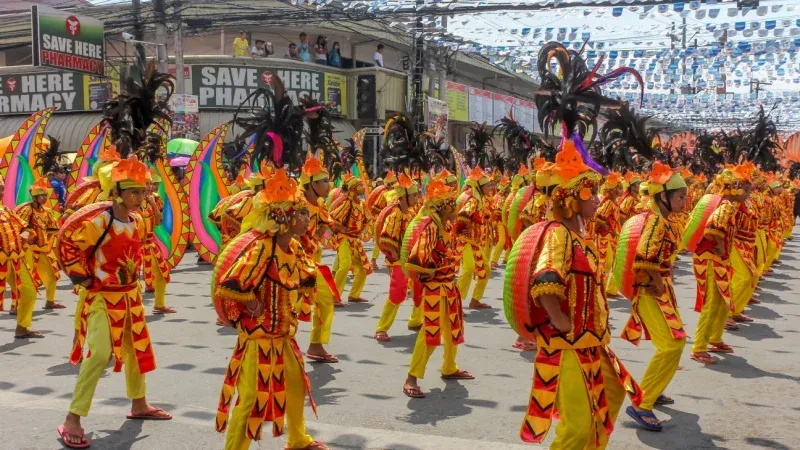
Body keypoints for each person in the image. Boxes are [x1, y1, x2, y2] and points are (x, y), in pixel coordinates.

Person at [510, 140, 642, 447]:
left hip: (589, 343)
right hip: (566, 345)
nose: (596, 200)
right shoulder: (558, 234)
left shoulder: (575, 235)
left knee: (612, 394)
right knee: (578, 427)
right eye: (590, 193)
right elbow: (545, 280)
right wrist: (559, 319)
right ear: (569, 198)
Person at [58, 156, 172, 449]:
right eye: (132, 192)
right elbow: (67, 243)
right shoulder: (100, 220)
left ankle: (139, 403)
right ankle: (73, 418)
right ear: (116, 192)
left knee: (137, 350)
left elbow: (143, 241)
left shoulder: (137, 220)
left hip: (130, 296)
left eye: (141, 191)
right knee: (98, 355)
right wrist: (81, 279)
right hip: (102, 299)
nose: (138, 197)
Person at [213, 169, 329, 450]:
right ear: (282, 217)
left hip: (284, 334)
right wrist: (251, 301)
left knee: (296, 385)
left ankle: (298, 439)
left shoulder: (295, 247)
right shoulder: (262, 249)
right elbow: (230, 285)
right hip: (259, 336)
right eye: (300, 213)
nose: (305, 218)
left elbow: (306, 277)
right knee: (252, 399)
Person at [615, 162, 688, 431]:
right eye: (680, 197)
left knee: (672, 343)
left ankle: (652, 393)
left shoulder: (662, 219)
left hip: (660, 289)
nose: (683, 202)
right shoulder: (656, 221)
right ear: (663, 197)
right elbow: (644, 259)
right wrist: (657, 281)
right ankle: (641, 403)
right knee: (672, 345)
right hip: (651, 292)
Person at [402, 178, 471, 398]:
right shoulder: (430, 228)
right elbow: (416, 260)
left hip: (450, 286)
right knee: (430, 334)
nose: (455, 207)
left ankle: (449, 367)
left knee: (453, 329)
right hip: (436, 289)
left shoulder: (446, 226)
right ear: (442, 209)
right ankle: (411, 377)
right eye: (451, 204)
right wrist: (432, 271)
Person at [689, 164, 753, 364]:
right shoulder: (726, 206)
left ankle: (715, 338)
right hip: (710, 259)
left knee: (724, 299)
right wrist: (720, 247)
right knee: (712, 301)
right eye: (747, 190)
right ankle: (699, 347)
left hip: (719, 259)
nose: (748, 194)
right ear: (735, 188)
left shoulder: (731, 206)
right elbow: (712, 228)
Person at [297, 156, 341, 364]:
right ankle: (279, 349)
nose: (328, 185)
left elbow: (324, 224)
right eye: (324, 181)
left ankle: (316, 344)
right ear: (312, 184)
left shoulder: (320, 204)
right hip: (293, 262)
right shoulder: (296, 204)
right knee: (287, 307)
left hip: (313, 261)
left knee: (325, 301)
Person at [374, 174, 422, 342]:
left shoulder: (409, 212)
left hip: (409, 259)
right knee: (397, 293)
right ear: (403, 197)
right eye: (414, 195)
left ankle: (415, 321)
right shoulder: (395, 214)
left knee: (419, 288)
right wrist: (397, 256)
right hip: (398, 261)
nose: (417, 198)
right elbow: (385, 239)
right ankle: (382, 327)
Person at [0, 178, 40, 337]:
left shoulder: (7, 211)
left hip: (17, 259)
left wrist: (25, 236)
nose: (1, 193)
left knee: (29, 292)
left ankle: (22, 327)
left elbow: (25, 227)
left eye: (2, 189)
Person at [16, 177, 63, 310]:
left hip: (43, 249)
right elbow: (20, 226)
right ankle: (16, 305)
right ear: (35, 197)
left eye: (45, 195)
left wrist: (46, 240)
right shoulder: (27, 210)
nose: (44, 198)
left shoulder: (47, 211)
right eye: (41, 195)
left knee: (53, 275)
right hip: (28, 250)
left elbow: (53, 228)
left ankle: (50, 301)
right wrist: (30, 234)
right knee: (26, 280)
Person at [455, 167, 494, 309]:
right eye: (487, 185)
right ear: (479, 187)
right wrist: (468, 230)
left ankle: (475, 299)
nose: (490, 187)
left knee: (486, 270)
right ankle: (455, 303)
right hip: (466, 241)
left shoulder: (479, 199)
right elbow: (462, 216)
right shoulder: (472, 200)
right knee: (469, 268)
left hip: (476, 243)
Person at [330, 174, 372, 303]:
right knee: (345, 264)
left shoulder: (363, 204)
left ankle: (354, 295)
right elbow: (331, 218)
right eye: (359, 185)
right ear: (353, 189)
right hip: (344, 239)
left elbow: (368, 219)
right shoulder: (347, 203)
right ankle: (334, 296)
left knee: (364, 268)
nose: (362, 187)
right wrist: (341, 228)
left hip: (355, 240)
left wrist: (364, 228)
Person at [141, 171, 175, 314]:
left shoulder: (153, 200)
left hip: (150, 243)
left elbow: (158, 222)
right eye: (146, 184)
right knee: (133, 279)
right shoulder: (131, 202)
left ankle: (159, 304)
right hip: (135, 245)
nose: (150, 187)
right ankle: (133, 308)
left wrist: (153, 204)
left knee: (162, 274)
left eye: (151, 184)